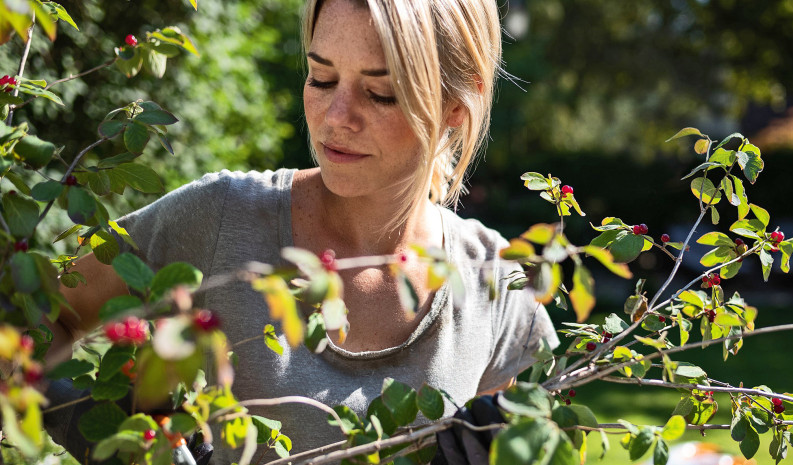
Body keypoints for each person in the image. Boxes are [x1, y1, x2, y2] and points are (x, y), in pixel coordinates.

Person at [46, 0, 559, 462]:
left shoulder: (497, 285)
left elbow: (534, 435)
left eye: (380, 93)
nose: (336, 117)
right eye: (321, 78)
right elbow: (33, 311)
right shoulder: (224, 217)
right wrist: (118, 442)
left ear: (455, 106)